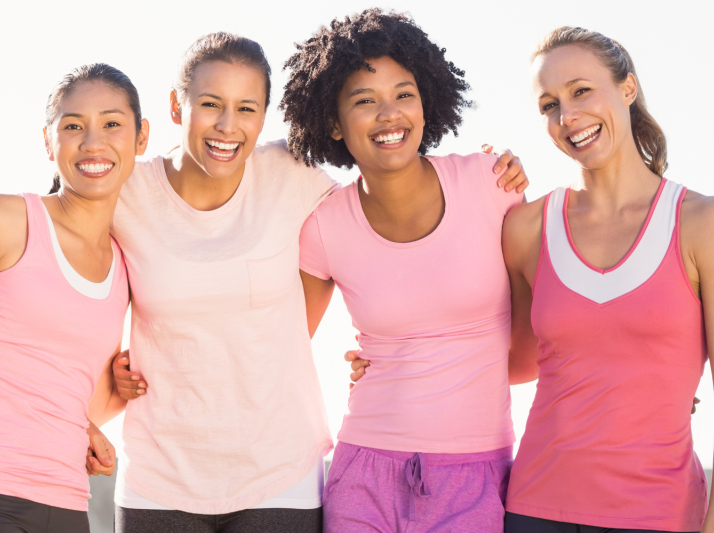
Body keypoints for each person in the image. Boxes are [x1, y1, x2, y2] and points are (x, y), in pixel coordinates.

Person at [108, 31, 528, 533]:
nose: (227, 125)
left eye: (247, 107)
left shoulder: (486, 183)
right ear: (178, 107)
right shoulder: (128, 193)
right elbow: (72, 278)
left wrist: (427, 369)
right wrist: (101, 385)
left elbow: (537, 330)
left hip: (310, 473)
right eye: (211, 104)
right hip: (186, 474)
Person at [281, 9, 537, 532]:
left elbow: (534, 340)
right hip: (364, 469)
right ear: (332, 122)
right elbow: (279, 347)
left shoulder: (492, 185)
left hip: (476, 470)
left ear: (426, 102)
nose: (389, 114)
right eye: (364, 100)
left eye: (404, 93)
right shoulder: (325, 226)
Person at [501, 26, 714, 533]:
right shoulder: (526, 227)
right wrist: (387, 353)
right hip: (535, 508)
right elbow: (512, 363)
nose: (566, 116)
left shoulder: (700, 223)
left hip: (660, 513)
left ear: (627, 88)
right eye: (548, 104)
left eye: (581, 91)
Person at [0, 63, 146, 533]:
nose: (92, 142)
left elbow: (69, 396)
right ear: (48, 141)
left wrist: (112, 398)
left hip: (67, 501)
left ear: (140, 138)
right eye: (72, 126)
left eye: (111, 124)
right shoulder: (6, 219)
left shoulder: (126, 267)